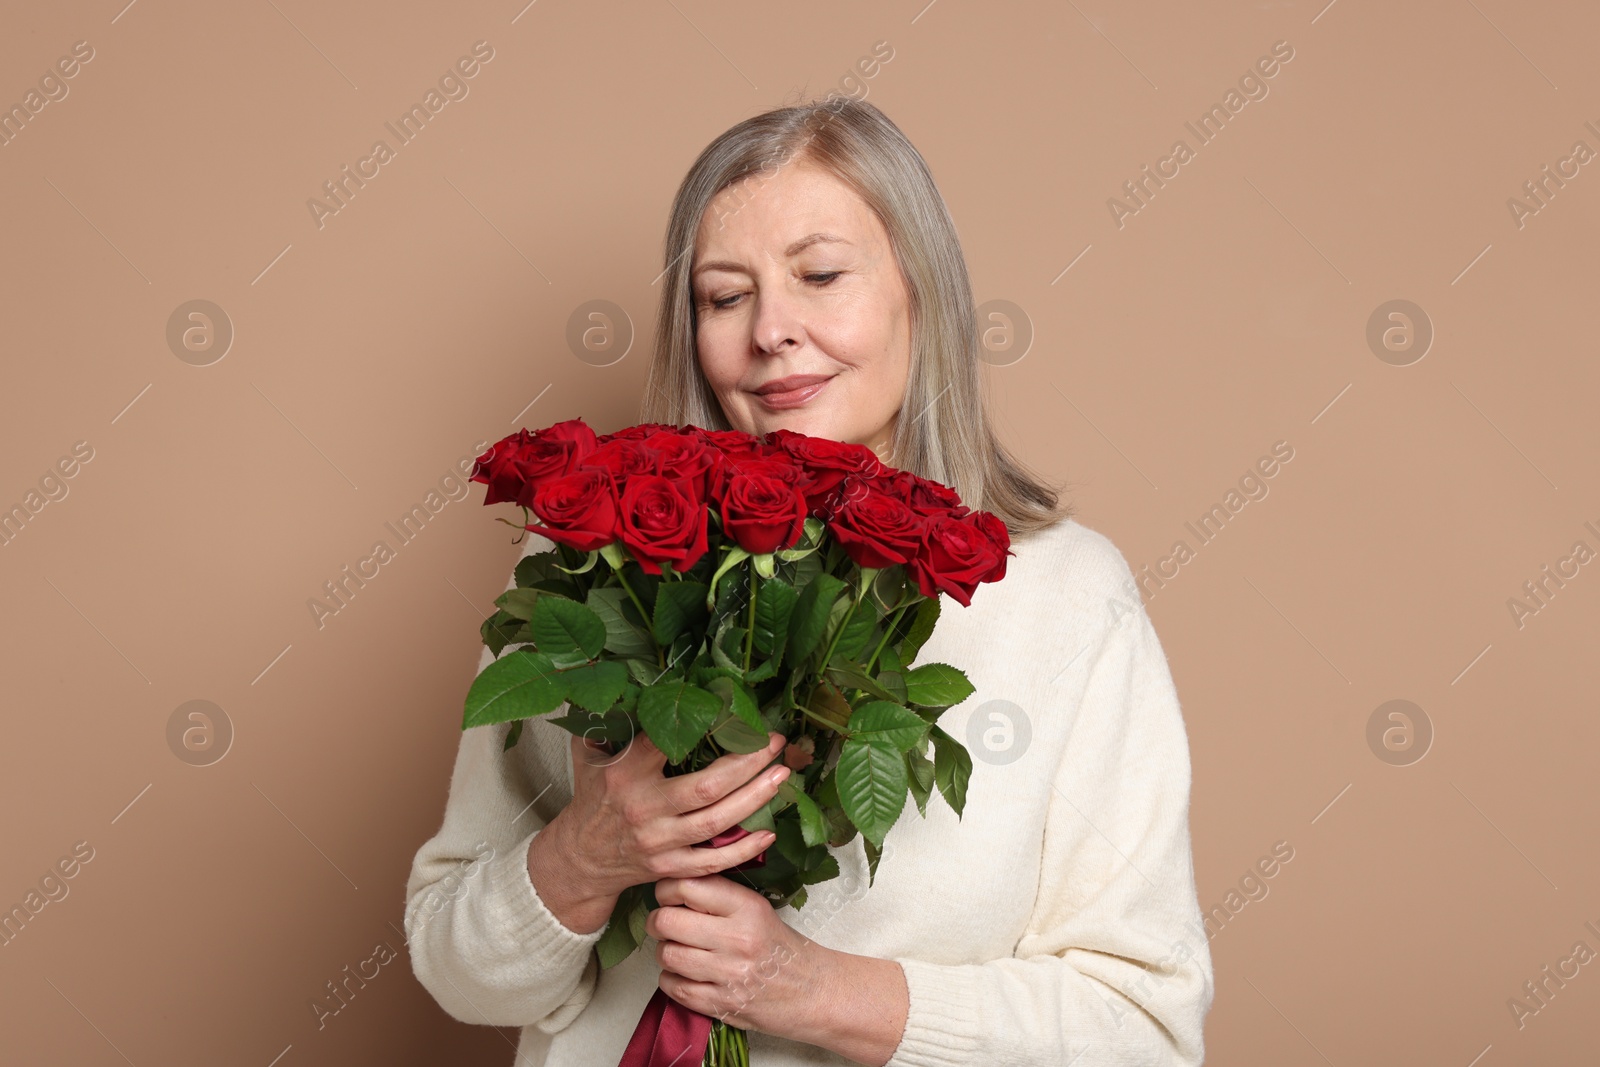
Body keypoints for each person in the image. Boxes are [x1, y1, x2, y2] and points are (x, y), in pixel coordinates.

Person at [405, 96, 1214, 1066]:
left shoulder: (1070, 596)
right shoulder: (592, 579)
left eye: (820, 275)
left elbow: (1145, 1031)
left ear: (922, 293)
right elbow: (455, 969)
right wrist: (585, 855)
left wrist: (818, 990)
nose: (772, 330)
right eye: (723, 295)